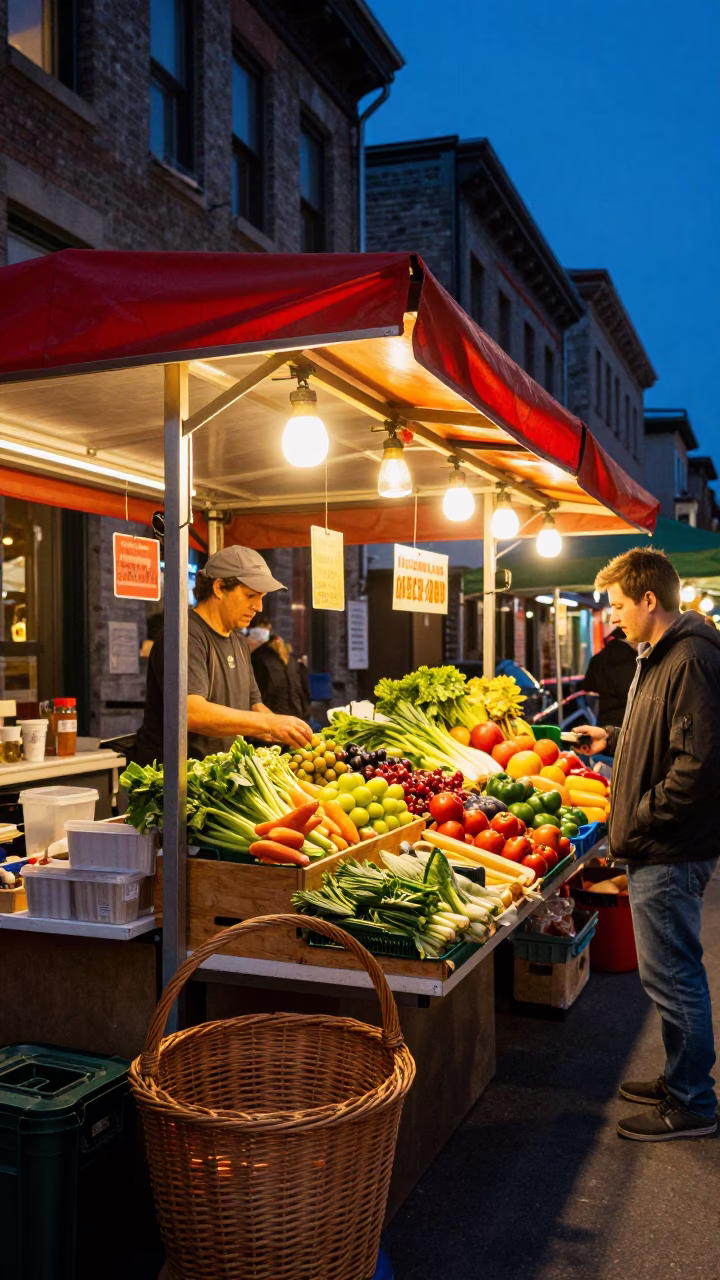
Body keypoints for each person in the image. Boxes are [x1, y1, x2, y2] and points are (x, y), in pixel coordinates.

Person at [576, 547, 720, 1141]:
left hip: (669, 846)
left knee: (674, 975)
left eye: (616, 605)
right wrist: (609, 736)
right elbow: (655, 734)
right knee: (669, 973)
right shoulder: (657, 656)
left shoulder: (687, 658)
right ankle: (678, 1078)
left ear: (649, 600)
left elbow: (698, 765)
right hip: (662, 842)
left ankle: (693, 1103)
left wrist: (635, 820)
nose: (612, 616)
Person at [134, 546, 312, 765]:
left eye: (262, 597)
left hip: (216, 778)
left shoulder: (238, 642)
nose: (258, 606)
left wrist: (290, 731)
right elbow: (192, 713)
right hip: (175, 782)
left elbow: (254, 705)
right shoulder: (184, 635)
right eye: (250, 596)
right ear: (219, 588)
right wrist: (269, 724)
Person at [247, 614, 312, 722]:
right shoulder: (292, 660)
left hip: (271, 728)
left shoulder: (259, 661)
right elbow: (305, 695)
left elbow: (254, 700)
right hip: (297, 723)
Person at [583, 625, 637, 726]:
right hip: (630, 720)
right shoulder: (634, 660)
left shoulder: (597, 659)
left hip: (605, 721)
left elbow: (588, 686)